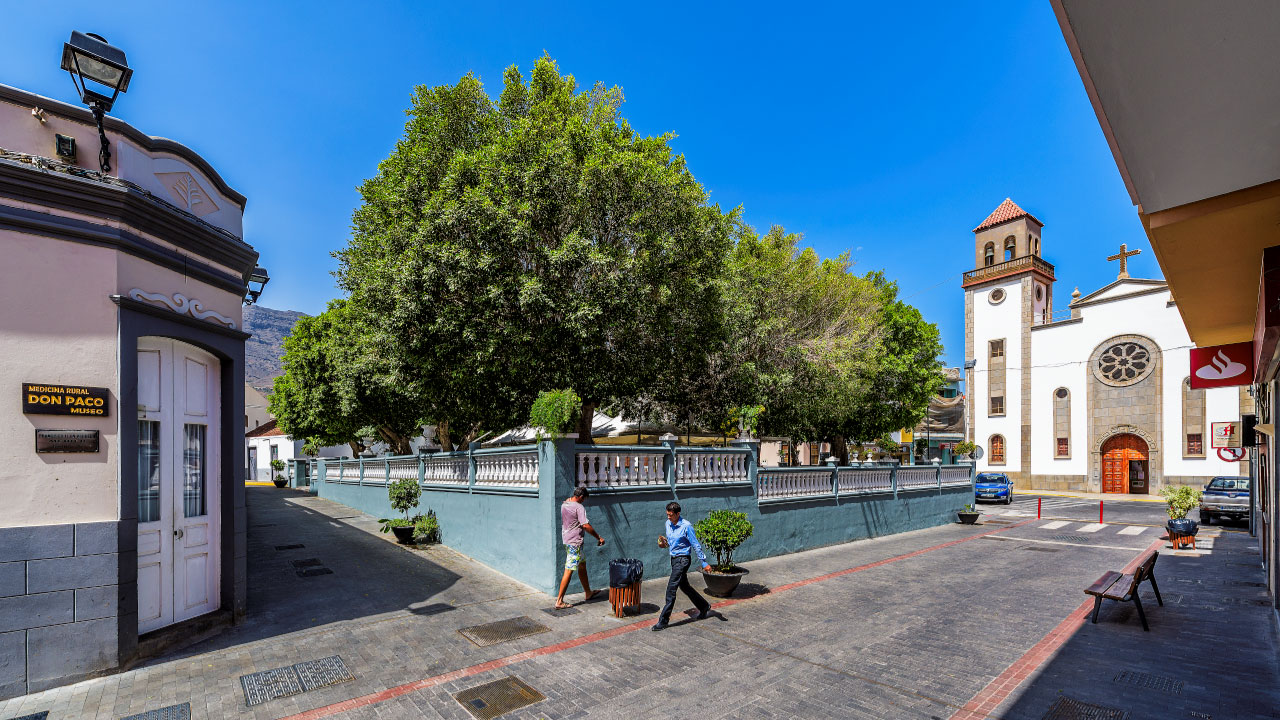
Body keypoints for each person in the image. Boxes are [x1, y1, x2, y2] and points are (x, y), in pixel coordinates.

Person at [652, 501, 712, 631]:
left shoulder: (686, 526)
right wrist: (663, 543)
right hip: (674, 559)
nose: (668, 517)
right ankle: (703, 606)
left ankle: (663, 621)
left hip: (683, 560)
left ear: (678, 514)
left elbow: (695, 544)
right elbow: (670, 543)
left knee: (671, 589)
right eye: (667, 514)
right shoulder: (668, 524)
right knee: (684, 586)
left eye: (671, 515)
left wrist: (704, 562)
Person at [555, 486, 605, 609]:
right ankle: (559, 601)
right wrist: (598, 537)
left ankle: (588, 592)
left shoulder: (565, 503)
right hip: (574, 543)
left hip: (567, 539)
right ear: (581, 497)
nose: (584, 502)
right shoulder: (579, 507)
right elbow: (585, 525)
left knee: (582, 565)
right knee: (569, 569)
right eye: (584, 499)